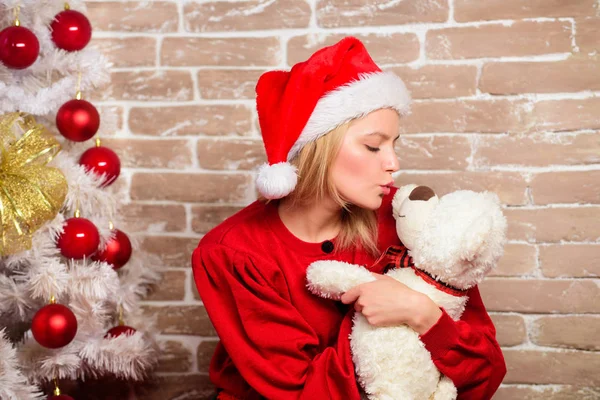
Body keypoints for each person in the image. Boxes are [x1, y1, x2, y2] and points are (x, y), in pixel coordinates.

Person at [191, 37, 506, 400]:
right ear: (316, 148)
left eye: (394, 144)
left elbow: (485, 372)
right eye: (374, 146)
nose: (393, 163)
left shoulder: (407, 220)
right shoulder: (232, 253)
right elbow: (300, 392)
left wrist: (420, 312)